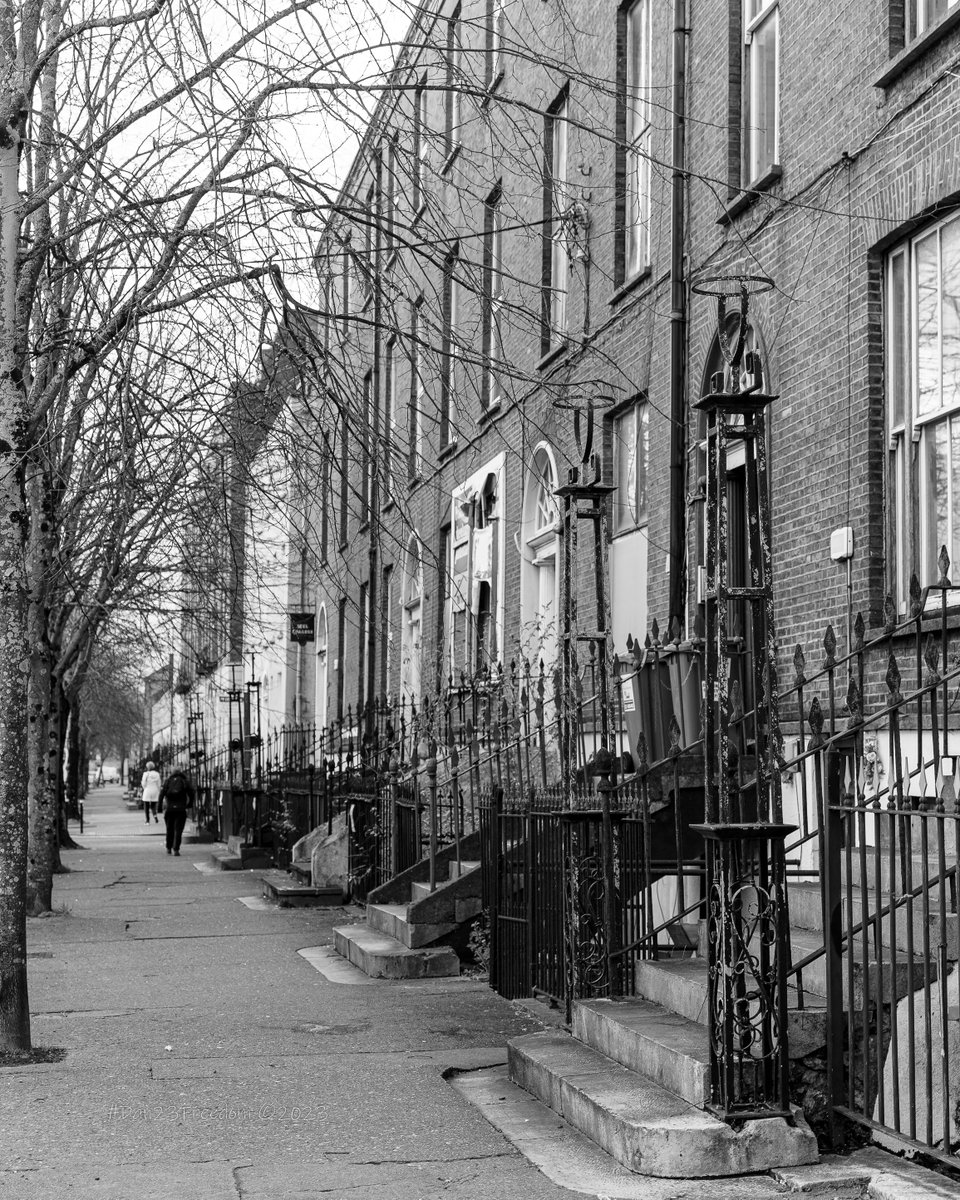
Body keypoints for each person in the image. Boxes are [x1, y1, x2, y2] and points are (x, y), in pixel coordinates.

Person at [160, 764, 195, 856]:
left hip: (170, 808)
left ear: (172, 772)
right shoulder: (184, 781)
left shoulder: (168, 781)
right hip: (181, 808)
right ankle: (176, 849)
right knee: (178, 830)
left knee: (169, 828)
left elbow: (162, 793)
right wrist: (190, 804)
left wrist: (159, 807)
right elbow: (191, 793)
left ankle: (168, 847)